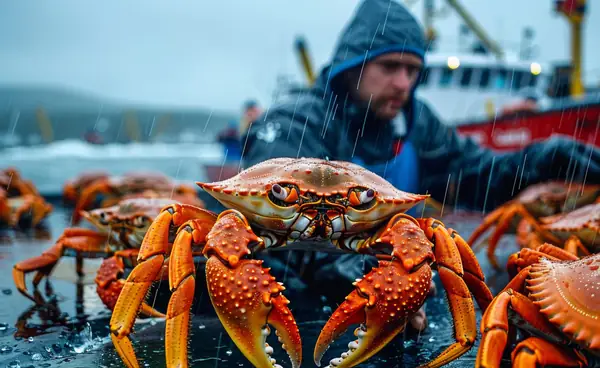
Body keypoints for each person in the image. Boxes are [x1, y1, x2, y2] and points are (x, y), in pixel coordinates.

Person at [241, 0, 600, 326]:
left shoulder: (416, 121)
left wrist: (543, 158)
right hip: (290, 309)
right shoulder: (296, 122)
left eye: (413, 71)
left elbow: (473, 176)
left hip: (393, 289)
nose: (403, 84)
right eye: (390, 66)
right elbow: (273, 223)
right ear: (352, 66)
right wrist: (355, 272)